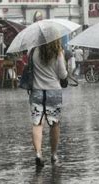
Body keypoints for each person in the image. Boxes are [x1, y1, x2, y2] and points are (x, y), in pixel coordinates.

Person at [28, 38, 68, 166]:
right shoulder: (57, 52)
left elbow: (30, 71)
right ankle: (54, 154)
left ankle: (38, 153)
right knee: (54, 124)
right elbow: (62, 75)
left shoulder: (33, 51)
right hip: (53, 92)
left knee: (37, 123)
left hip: (37, 92)